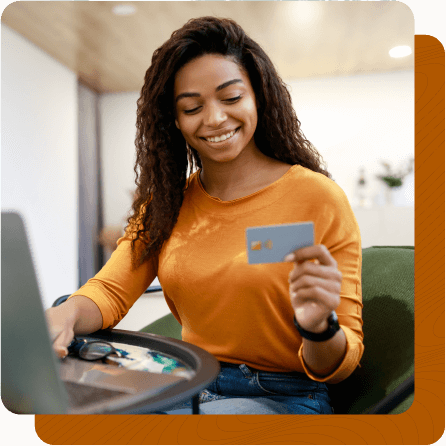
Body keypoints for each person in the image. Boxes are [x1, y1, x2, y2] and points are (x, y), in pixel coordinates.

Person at [46, 16, 364, 415]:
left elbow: (340, 364)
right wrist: (65, 313)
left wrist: (318, 328)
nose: (213, 119)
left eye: (231, 98)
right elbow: (110, 290)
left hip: (282, 395)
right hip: (189, 381)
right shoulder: (166, 204)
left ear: (259, 98)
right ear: (174, 121)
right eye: (192, 107)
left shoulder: (316, 198)